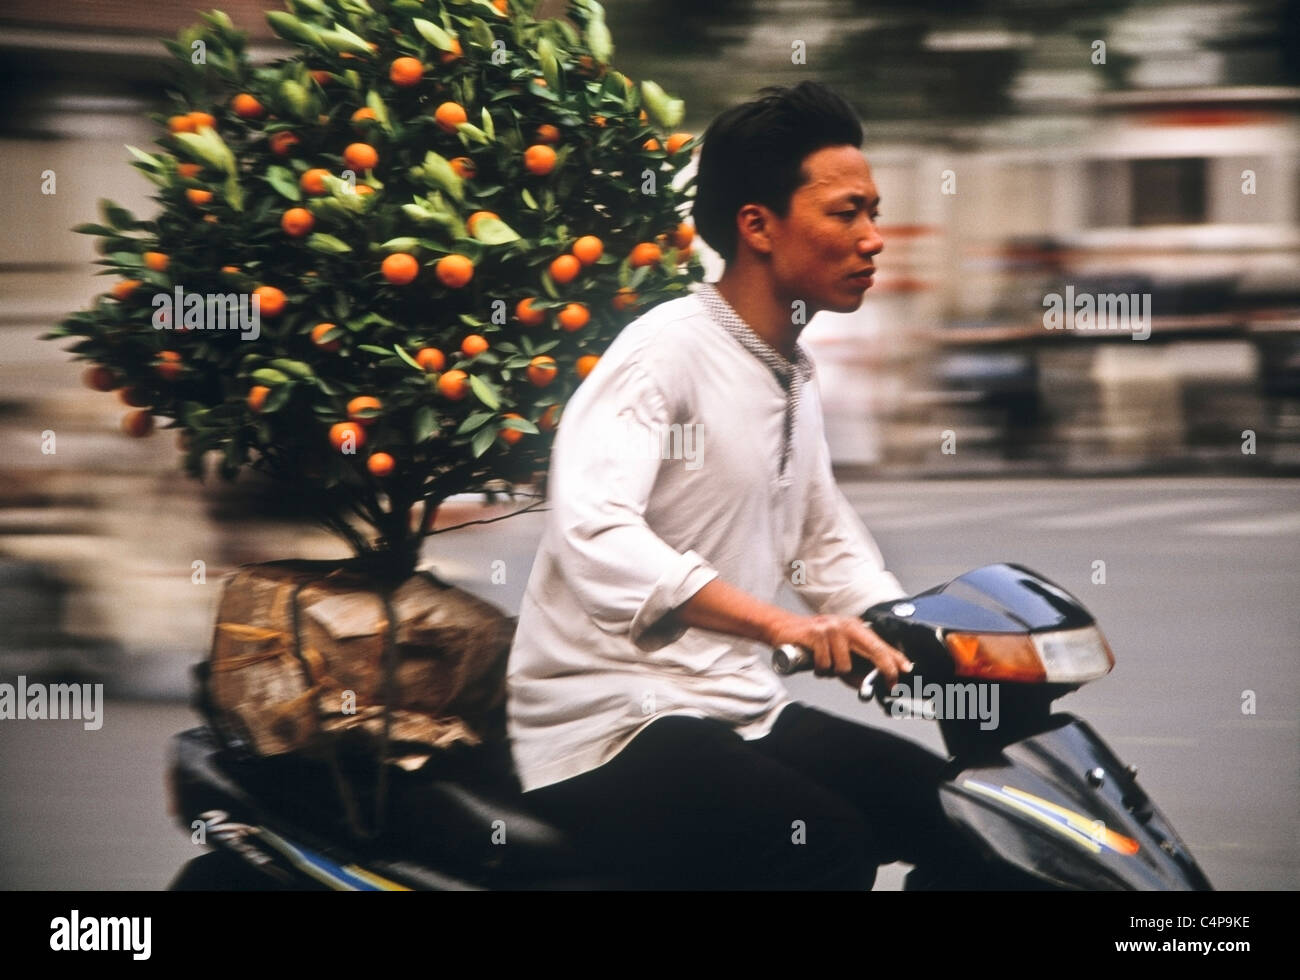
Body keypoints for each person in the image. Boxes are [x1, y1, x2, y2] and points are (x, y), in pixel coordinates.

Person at [506, 81, 968, 890]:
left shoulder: (791, 371)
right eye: (845, 213)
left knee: (959, 814)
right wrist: (782, 628)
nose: (873, 239)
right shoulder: (663, 354)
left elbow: (826, 544)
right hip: (610, 720)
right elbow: (595, 533)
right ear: (757, 225)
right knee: (823, 844)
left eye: (873, 213)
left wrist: (913, 639)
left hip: (736, 706)